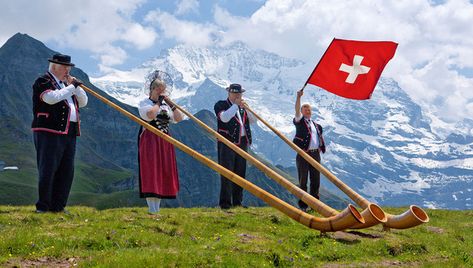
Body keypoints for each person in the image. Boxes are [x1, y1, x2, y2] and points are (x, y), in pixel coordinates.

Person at [31, 53, 88, 213]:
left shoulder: (66, 86)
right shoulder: (43, 81)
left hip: (69, 131)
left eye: (69, 68)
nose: (68, 71)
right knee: (48, 168)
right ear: (54, 66)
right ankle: (43, 206)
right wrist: (72, 87)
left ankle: (58, 206)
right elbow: (50, 98)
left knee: (66, 170)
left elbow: (83, 103)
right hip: (49, 130)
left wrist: (77, 89)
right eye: (65, 67)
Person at [137, 71, 183, 214]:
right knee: (151, 171)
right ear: (152, 90)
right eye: (159, 90)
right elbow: (150, 115)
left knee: (163, 171)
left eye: (163, 90)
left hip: (165, 140)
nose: (162, 93)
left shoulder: (165, 106)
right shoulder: (145, 103)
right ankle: (152, 209)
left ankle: (157, 209)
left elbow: (178, 118)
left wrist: (171, 104)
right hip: (150, 139)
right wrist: (158, 102)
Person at [214, 83, 256, 209]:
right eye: (235, 93)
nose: (237, 96)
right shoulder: (220, 104)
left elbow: (253, 121)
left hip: (242, 143)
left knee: (240, 172)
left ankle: (237, 202)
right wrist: (236, 106)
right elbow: (224, 118)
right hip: (227, 142)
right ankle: (225, 203)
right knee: (227, 173)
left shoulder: (243, 108)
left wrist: (247, 109)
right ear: (229, 93)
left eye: (239, 93)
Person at [293, 89, 326, 211]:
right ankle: (303, 206)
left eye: (309, 109)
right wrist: (298, 98)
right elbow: (296, 110)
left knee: (315, 180)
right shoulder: (299, 122)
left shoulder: (317, 125)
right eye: (305, 108)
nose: (307, 110)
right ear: (301, 111)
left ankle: (315, 205)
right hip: (303, 154)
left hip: (315, 154)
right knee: (303, 180)